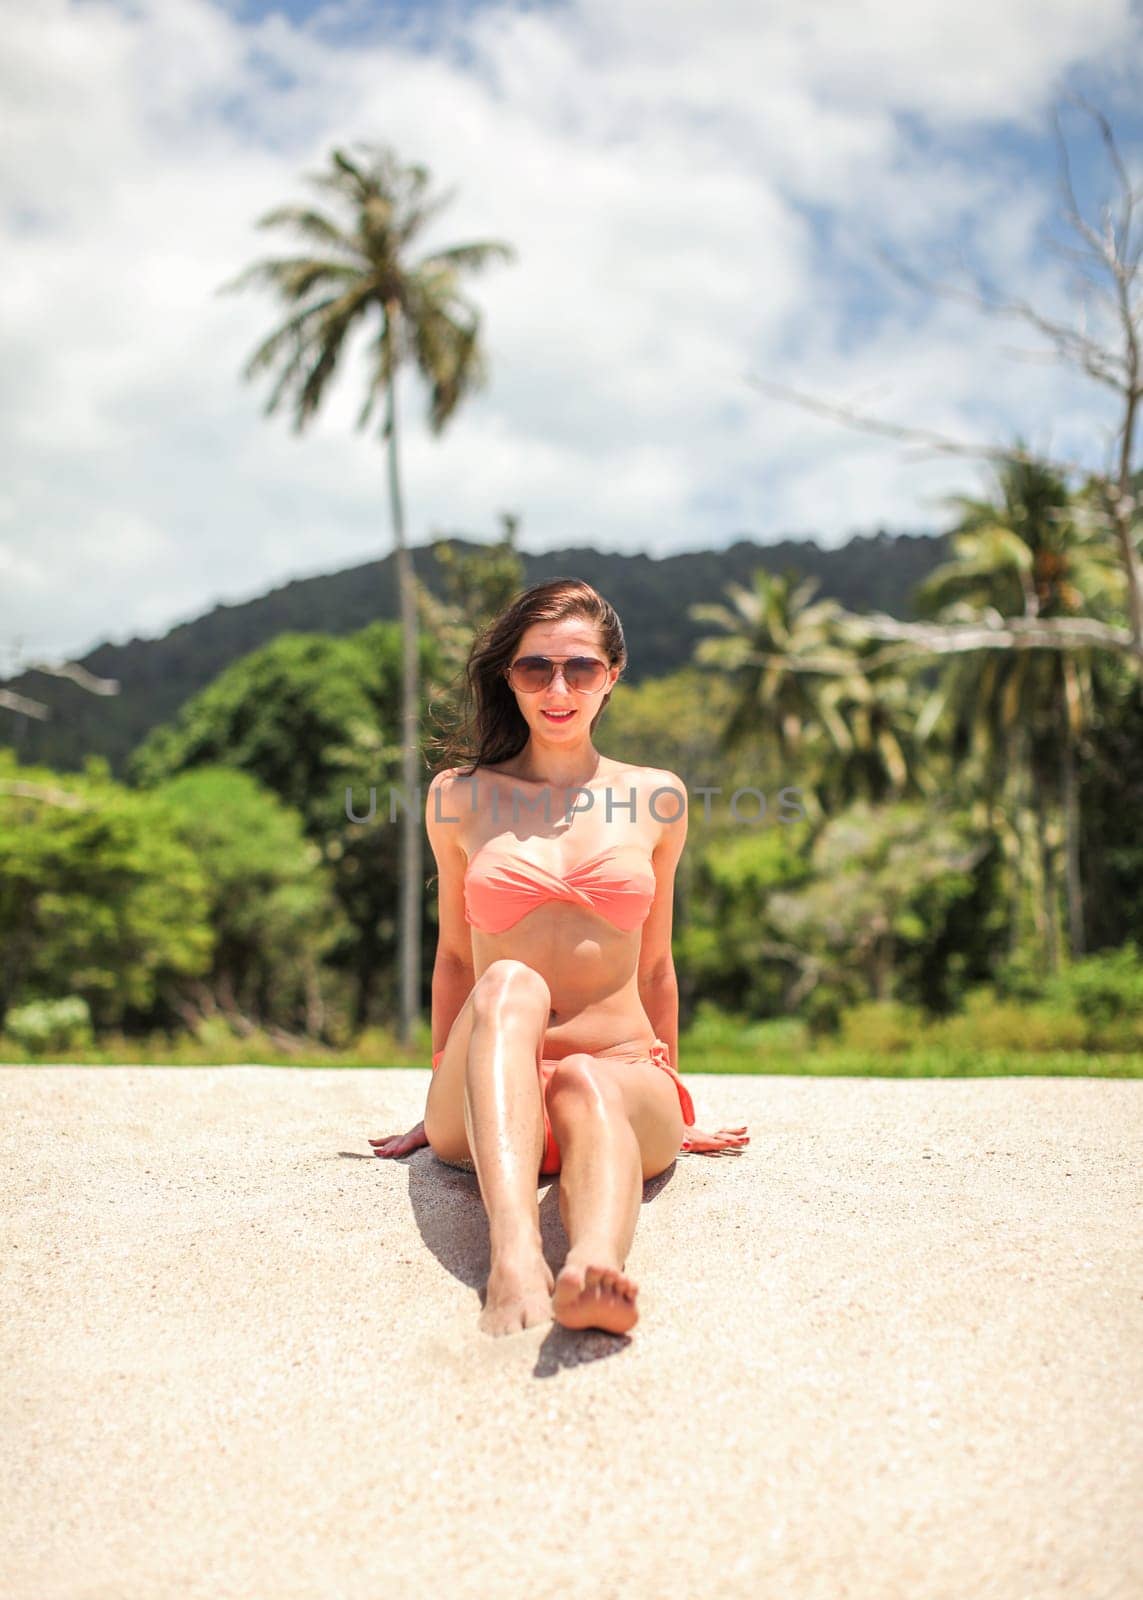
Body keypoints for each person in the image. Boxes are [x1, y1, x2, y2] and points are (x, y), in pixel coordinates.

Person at [371, 578, 748, 1337]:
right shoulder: (459, 796)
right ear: (508, 678)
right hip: (489, 1085)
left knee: (587, 1078)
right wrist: (442, 1085)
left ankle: (591, 1268)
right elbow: (453, 959)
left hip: (615, 1074)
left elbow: (654, 968)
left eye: (579, 668)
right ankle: (513, 1255)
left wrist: (674, 1094)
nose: (557, 688)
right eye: (534, 668)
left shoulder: (656, 798)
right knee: (507, 979)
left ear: (611, 674)